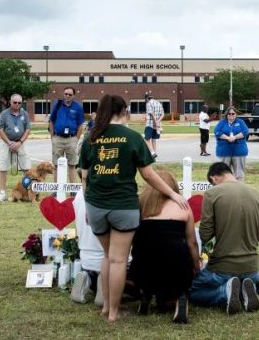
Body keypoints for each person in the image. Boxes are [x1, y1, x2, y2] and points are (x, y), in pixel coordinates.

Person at [77, 94, 188, 324]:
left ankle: (106, 307)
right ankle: (115, 313)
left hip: (96, 205)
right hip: (123, 205)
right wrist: (172, 193)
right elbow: (148, 174)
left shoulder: (91, 137)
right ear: (124, 111)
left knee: (107, 256)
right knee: (118, 260)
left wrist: (89, 206)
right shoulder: (132, 137)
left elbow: (84, 176)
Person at [189, 162, 259, 315]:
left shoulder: (212, 194)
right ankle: (244, 289)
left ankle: (225, 292)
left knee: (192, 290)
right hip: (252, 269)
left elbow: (205, 235)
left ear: (213, 178)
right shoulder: (257, 194)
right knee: (243, 278)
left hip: (222, 268)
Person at [129, 169, 201, 323]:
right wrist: (196, 265)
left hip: (144, 263)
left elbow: (134, 237)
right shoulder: (182, 205)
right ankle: (179, 297)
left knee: (148, 261)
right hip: (176, 263)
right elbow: (192, 242)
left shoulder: (141, 203)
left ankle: (146, 294)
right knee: (177, 265)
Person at [0, 94, 32, 203]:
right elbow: (0, 130)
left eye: (19, 103)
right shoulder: (4, 114)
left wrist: (20, 142)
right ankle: (2, 192)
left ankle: (28, 192)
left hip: (21, 142)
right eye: (15, 102)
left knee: (27, 168)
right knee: (3, 168)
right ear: (11, 102)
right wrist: (9, 143)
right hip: (6, 142)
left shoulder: (24, 114)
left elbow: (28, 129)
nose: (17, 104)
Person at [48, 87, 86, 183]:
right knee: (56, 165)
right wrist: (52, 137)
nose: (67, 96)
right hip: (58, 138)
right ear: (63, 94)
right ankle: (56, 189)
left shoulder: (78, 107)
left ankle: (72, 188)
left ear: (73, 95)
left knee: (72, 165)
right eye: (66, 94)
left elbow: (80, 125)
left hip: (71, 139)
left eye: (70, 94)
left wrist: (76, 139)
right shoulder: (57, 105)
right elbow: (51, 121)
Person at [214, 107, 249, 181]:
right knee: (223, 173)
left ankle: (239, 190)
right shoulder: (222, 122)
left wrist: (235, 137)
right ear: (226, 114)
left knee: (239, 174)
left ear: (236, 114)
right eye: (229, 113)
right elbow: (217, 132)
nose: (231, 115)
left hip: (239, 151)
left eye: (233, 113)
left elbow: (245, 131)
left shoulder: (240, 122)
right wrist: (227, 138)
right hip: (224, 152)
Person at [144, 92, 163, 158]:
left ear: (147, 99)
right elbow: (162, 114)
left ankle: (152, 152)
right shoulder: (159, 103)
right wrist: (158, 122)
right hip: (157, 125)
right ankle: (154, 153)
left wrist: (155, 122)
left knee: (146, 139)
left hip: (150, 124)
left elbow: (152, 114)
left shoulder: (148, 103)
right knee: (154, 139)